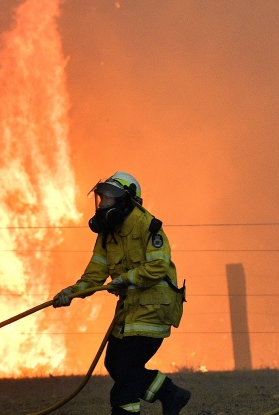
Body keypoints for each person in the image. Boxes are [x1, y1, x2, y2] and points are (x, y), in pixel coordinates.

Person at [52, 171, 191, 415]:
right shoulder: (108, 234)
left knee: (126, 373)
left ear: (125, 201)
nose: (103, 204)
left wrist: (125, 279)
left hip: (153, 310)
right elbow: (94, 276)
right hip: (130, 311)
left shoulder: (147, 225)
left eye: (109, 199)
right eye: (101, 198)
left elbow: (157, 266)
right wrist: (70, 293)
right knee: (115, 363)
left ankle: (136, 408)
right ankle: (170, 394)